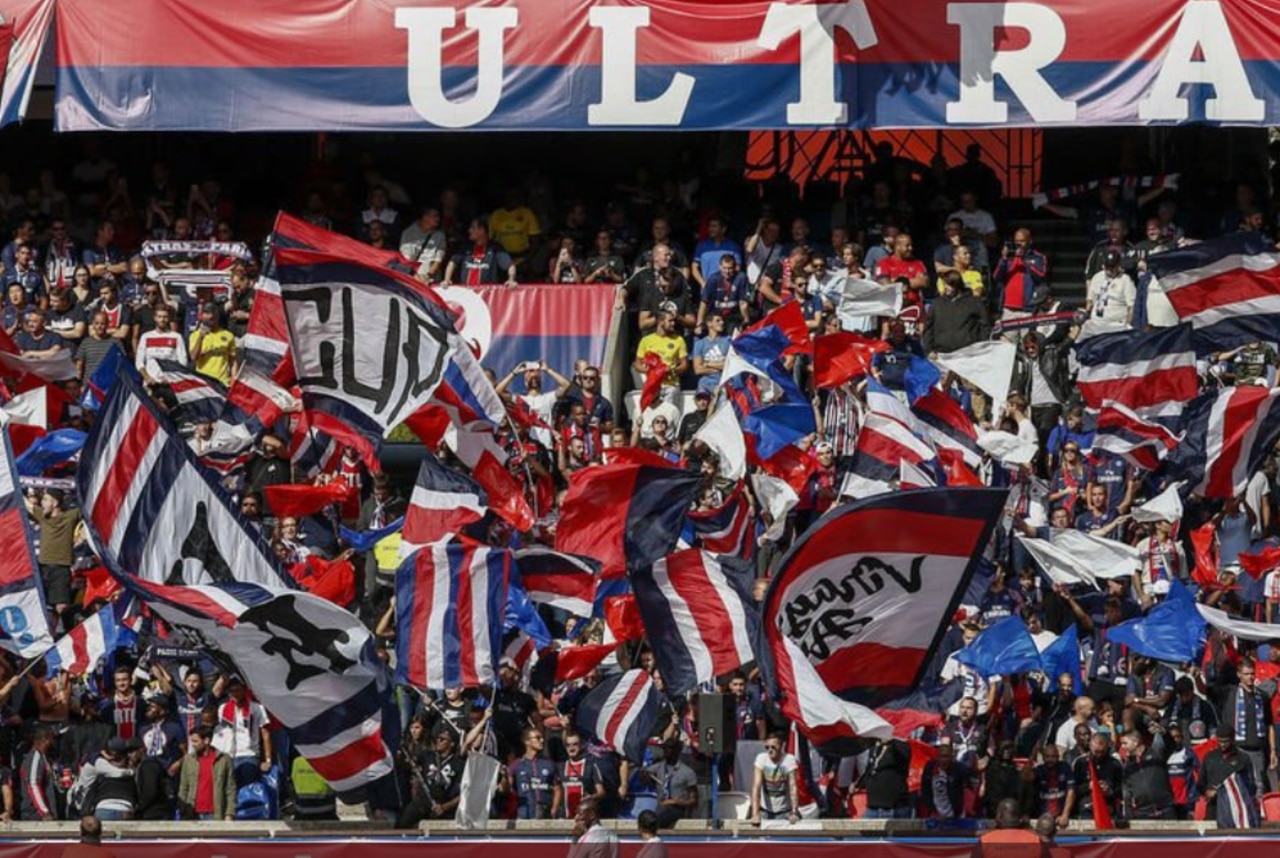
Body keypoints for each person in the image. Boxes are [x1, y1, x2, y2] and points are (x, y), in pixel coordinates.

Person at [178, 725, 236, 820]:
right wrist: (182, 810)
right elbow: (183, 787)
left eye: (196, 741)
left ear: (206, 741)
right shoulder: (188, 760)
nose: (193, 744)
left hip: (215, 814)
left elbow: (230, 789)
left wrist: (229, 813)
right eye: (192, 741)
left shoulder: (224, 760)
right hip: (192, 814)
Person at [643, 737, 697, 829]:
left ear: (677, 751)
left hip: (677, 808)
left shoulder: (687, 772)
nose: (666, 751)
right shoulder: (659, 767)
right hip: (660, 807)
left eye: (669, 748)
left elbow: (693, 800)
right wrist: (645, 775)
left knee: (661, 816)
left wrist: (675, 801)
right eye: (664, 748)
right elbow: (645, 774)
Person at [750, 732, 799, 825]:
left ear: (781, 746)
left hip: (785, 812)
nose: (770, 750)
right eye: (767, 747)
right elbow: (756, 786)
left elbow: (793, 787)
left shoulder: (789, 759)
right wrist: (755, 813)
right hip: (765, 811)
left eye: (773, 747)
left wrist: (794, 811)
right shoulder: (761, 758)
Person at [189, 302, 236, 385]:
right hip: (204, 382)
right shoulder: (195, 335)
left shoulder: (228, 335)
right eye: (206, 318)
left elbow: (232, 360)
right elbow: (193, 357)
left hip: (223, 382)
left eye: (212, 318)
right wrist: (201, 337)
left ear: (217, 317)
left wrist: (234, 378)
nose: (209, 321)